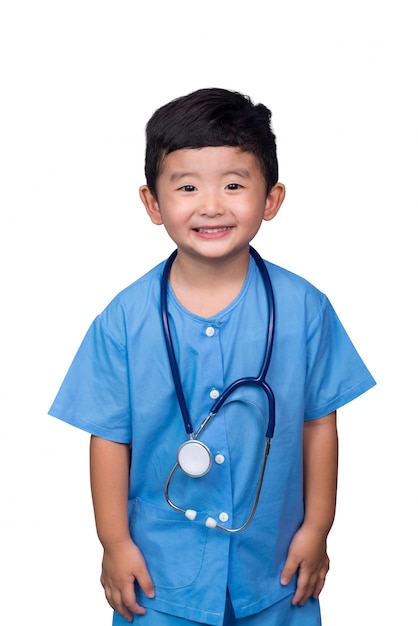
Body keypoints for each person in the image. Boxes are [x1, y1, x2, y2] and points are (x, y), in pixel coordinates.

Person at [49, 87, 376, 626]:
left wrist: (317, 529)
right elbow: (108, 437)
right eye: (186, 186)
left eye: (233, 184)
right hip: (159, 578)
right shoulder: (124, 321)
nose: (211, 205)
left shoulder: (304, 310)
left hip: (274, 573)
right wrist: (113, 543)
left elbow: (320, 425)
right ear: (152, 204)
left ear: (271, 199)